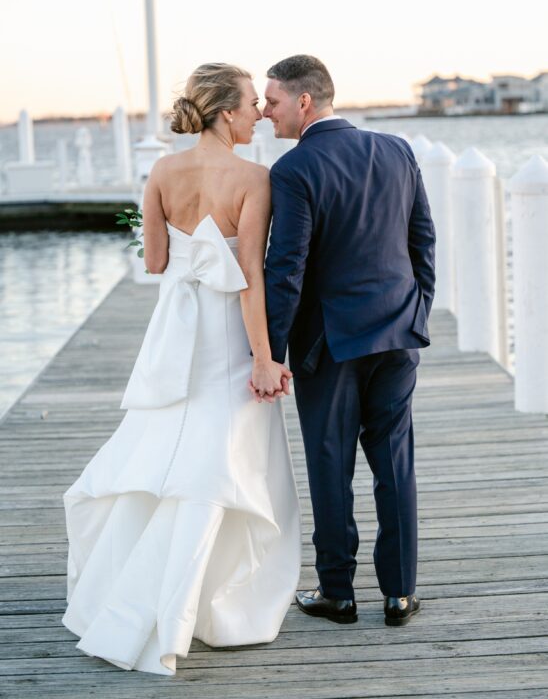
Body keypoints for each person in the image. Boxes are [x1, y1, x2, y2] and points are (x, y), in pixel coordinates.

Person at [63, 64, 300, 676]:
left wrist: (179, 240)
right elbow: (248, 278)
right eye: (251, 104)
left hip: (174, 331)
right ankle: (204, 608)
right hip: (225, 335)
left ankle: (137, 597)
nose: (259, 115)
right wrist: (264, 358)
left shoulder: (163, 171)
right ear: (226, 113)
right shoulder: (254, 178)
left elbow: (155, 260)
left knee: (172, 451)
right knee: (219, 463)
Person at [263, 54, 436, 629]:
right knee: (395, 463)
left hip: (329, 345)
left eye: (273, 101)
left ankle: (337, 591)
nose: (266, 112)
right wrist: (417, 310)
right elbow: (422, 242)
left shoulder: (293, 170)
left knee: (331, 465)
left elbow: (286, 268)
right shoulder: (396, 150)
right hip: (397, 332)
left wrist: (271, 351)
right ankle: (400, 595)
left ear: (304, 101)